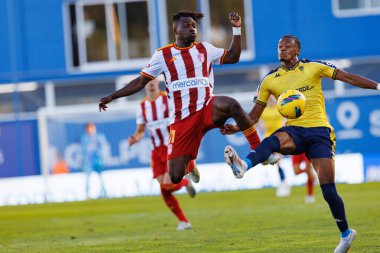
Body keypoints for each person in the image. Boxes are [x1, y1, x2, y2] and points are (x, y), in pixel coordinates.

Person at [222, 34, 380, 252]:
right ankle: (243, 166)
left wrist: (378, 86)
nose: (283, 49)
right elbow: (255, 116)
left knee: (328, 191)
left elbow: (347, 77)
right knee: (271, 140)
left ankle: (345, 235)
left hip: (320, 132)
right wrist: (238, 127)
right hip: (294, 130)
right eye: (279, 46)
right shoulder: (270, 79)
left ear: (297, 50)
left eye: (288, 46)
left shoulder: (313, 67)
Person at [99, 10, 272, 185]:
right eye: (187, 26)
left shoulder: (205, 48)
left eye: (194, 26)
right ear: (176, 30)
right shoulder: (163, 55)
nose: (192, 29)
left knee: (231, 105)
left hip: (206, 107)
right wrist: (112, 97)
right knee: (174, 176)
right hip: (182, 119)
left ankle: (258, 149)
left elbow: (234, 57)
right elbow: (140, 82)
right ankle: (190, 166)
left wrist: (236, 29)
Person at [128, 78, 199, 231]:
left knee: (167, 185)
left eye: (152, 79)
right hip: (156, 150)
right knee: (164, 189)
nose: (150, 83)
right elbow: (140, 131)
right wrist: (135, 138)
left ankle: (185, 181)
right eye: (147, 80)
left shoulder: (167, 99)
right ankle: (184, 221)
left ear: (157, 81)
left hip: (171, 147)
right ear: (144, 84)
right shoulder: (141, 107)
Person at [257, 95, 290, 197]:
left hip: (278, 136)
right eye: (269, 99)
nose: (270, 100)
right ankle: (283, 181)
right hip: (268, 136)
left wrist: (285, 126)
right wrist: (261, 127)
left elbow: (287, 117)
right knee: (263, 156)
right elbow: (255, 121)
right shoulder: (264, 110)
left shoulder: (279, 108)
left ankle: (283, 182)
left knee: (278, 161)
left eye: (272, 98)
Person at [80, 122, 108, 199]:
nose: (89, 129)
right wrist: (82, 160)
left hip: (97, 160)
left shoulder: (99, 137)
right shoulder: (84, 138)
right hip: (88, 161)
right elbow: (83, 150)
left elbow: (104, 147)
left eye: (90, 127)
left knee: (100, 176)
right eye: (87, 128)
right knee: (88, 178)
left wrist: (102, 157)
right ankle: (87, 194)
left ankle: (104, 192)